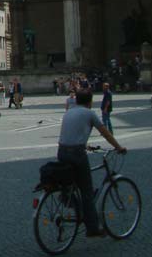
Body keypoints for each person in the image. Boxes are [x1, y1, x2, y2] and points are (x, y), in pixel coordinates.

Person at [57, 90, 126, 237]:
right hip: (76, 154)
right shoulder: (89, 113)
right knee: (86, 191)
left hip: (62, 152)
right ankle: (93, 228)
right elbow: (106, 133)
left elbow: (71, 134)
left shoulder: (69, 112)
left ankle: (72, 202)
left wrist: (84, 144)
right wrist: (118, 147)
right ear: (90, 101)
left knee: (71, 184)